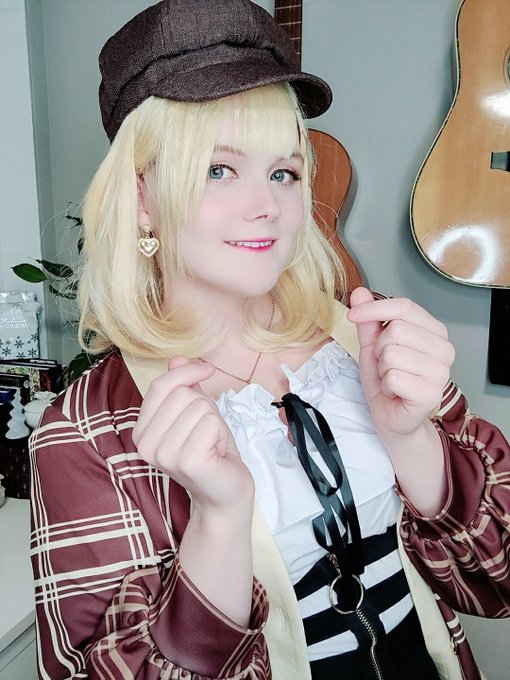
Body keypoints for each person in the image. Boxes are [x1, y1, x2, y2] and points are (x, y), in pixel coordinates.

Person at [30, 1, 510, 678]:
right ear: (141, 198)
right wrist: (220, 521)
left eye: (284, 172)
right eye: (219, 170)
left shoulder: (369, 335)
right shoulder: (81, 435)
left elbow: (498, 579)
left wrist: (410, 440)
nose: (268, 206)